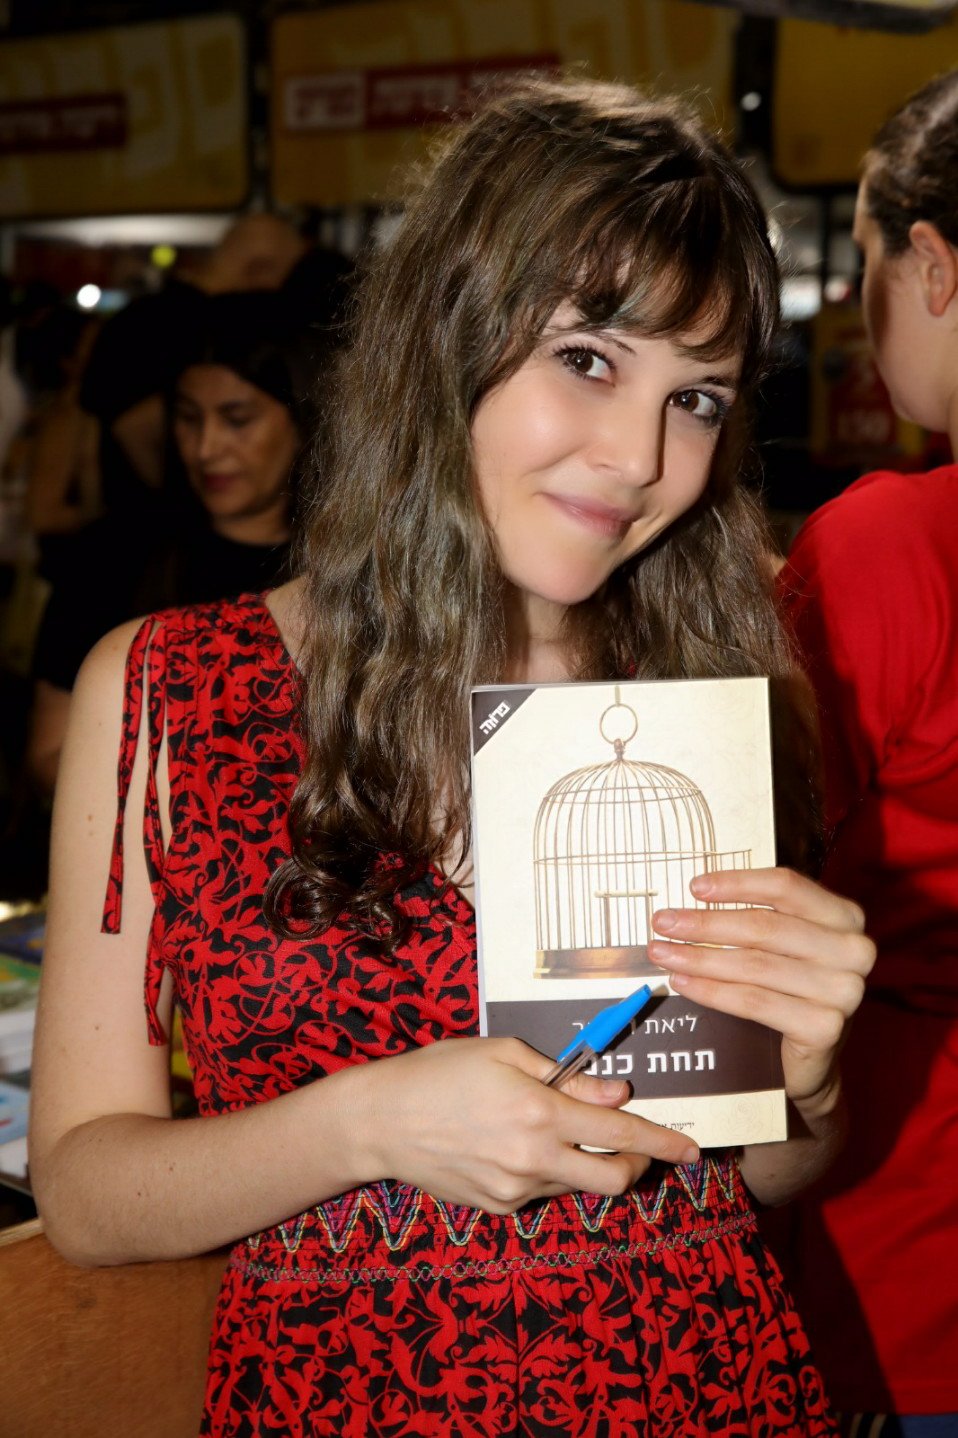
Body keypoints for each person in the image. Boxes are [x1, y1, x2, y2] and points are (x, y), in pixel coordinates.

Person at [30, 80, 874, 1436]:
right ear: (445, 332)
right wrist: (362, 1125)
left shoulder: (711, 700)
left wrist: (811, 1083)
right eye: (587, 358)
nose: (639, 457)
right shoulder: (171, 689)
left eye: (697, 396)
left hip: (703, 1387)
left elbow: (753, 1172)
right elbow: (82, 1190)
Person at [774, 70, 958, 1433]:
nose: (855, 305)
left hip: (900, 1238)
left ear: (932, 263)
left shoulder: (885, 547)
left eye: (866, 265)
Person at [27, 290, 315, 795]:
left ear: (302, 423)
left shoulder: (341, 573)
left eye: (237, 419)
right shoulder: (111, 558)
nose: (206, 448)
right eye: (188, 418)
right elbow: (50, 752)